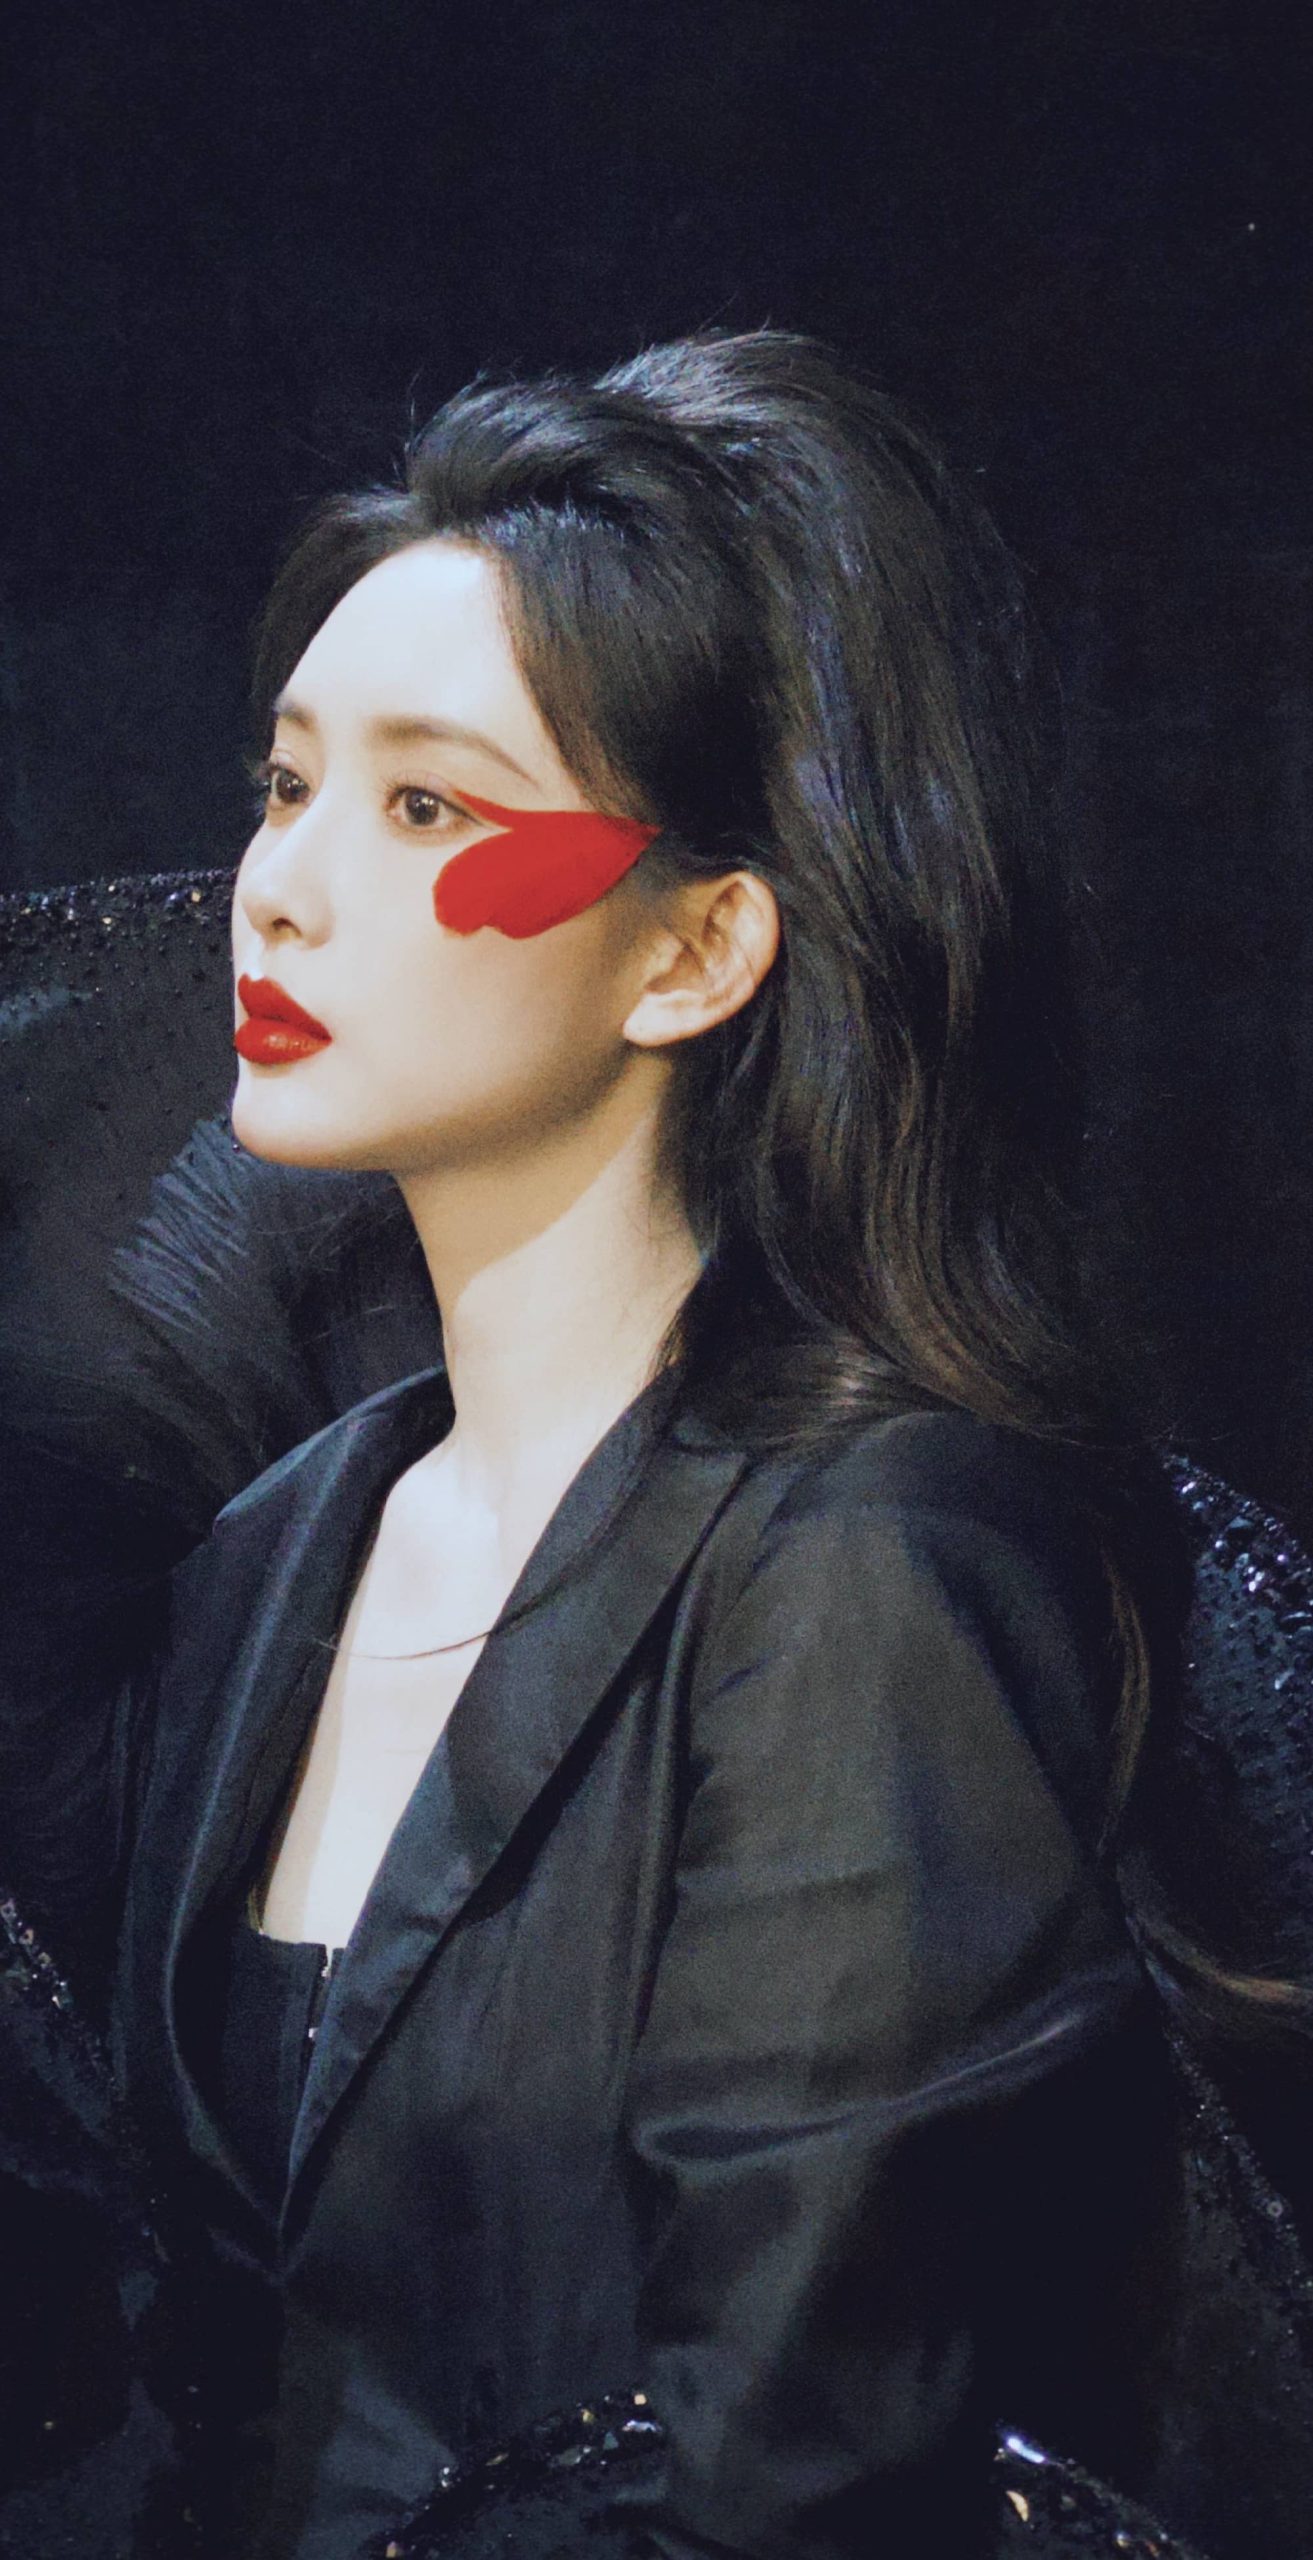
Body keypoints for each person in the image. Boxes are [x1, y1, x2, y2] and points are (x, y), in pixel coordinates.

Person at [0, 329, 1278, 2559]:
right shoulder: (282, 1551)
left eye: (428, 809)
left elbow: (809, 2477)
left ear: (695, 947)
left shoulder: (877, 1562)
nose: (278, 884)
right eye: (285, 782)